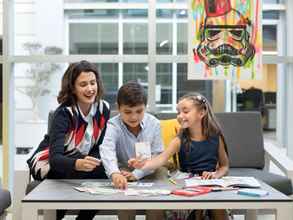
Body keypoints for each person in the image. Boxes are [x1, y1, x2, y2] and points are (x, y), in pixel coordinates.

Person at [129, 93, 229, 220]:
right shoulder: (180, 140)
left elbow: (224, 166)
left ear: (202, 113)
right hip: (186, 184)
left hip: (210, 183)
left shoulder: (216, 137)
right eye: (178, 112)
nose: (180, 116)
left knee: (218, 207)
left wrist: (216, 175)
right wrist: (143, 165)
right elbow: (161, 159)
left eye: (185, 111)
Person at [31, 60, 110, 220]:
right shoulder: (64, 113)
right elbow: (55, 159)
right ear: (73, 88)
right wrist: (79, 164)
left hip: (79, 160)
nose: (90, 89)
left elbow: (98, 147)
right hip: (50, 162)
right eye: (83, 84)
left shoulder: (103, 109)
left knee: (106, 174)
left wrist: (93, 162)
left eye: (92, 83)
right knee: (66, 173)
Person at [100, 81, 166, 220]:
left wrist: (137, 174)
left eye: (139, 111)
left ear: (145, 107)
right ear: (118, 108)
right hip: (124, 171)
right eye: (128, 112)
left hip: (151, 169)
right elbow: (107, 149)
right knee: (125, 204)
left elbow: (157, 155)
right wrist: (115, 173)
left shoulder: (153, 123)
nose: (134, 117)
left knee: (156, 203)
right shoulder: (113, 124)